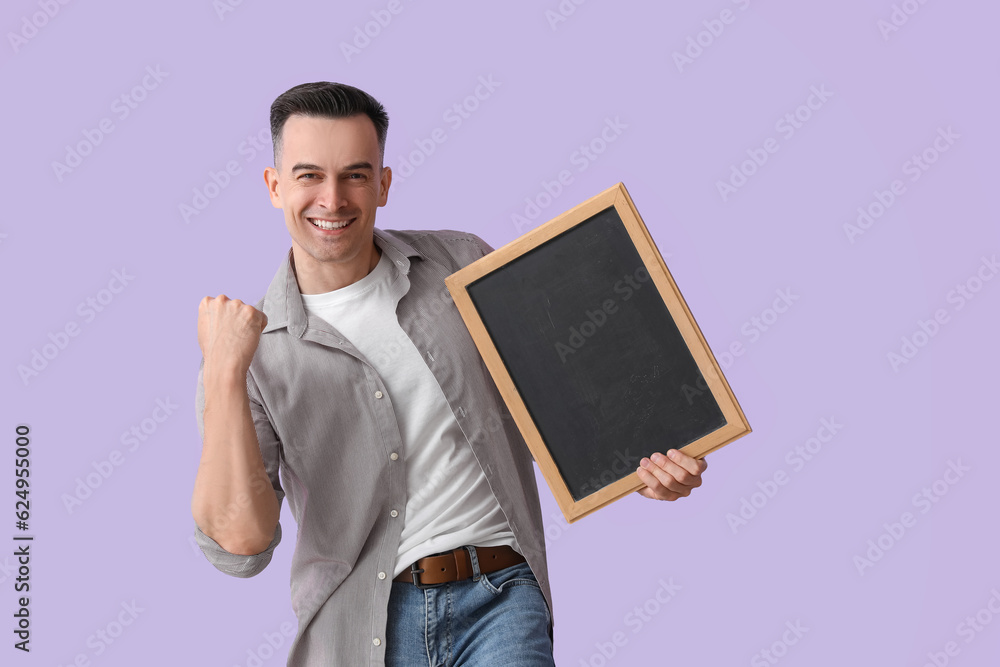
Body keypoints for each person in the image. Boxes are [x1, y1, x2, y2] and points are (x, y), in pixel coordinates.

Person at [190, 81, 709, 666]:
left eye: (355, 175)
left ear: (383, 183)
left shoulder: (462, 264)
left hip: (500, 596)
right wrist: (224, 372)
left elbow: (568, 398)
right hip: (360, 630)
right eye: (309, 175)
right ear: (274, 184)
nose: (332, 199)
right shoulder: (252, 353)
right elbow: (241, 547)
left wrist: (645, 460)